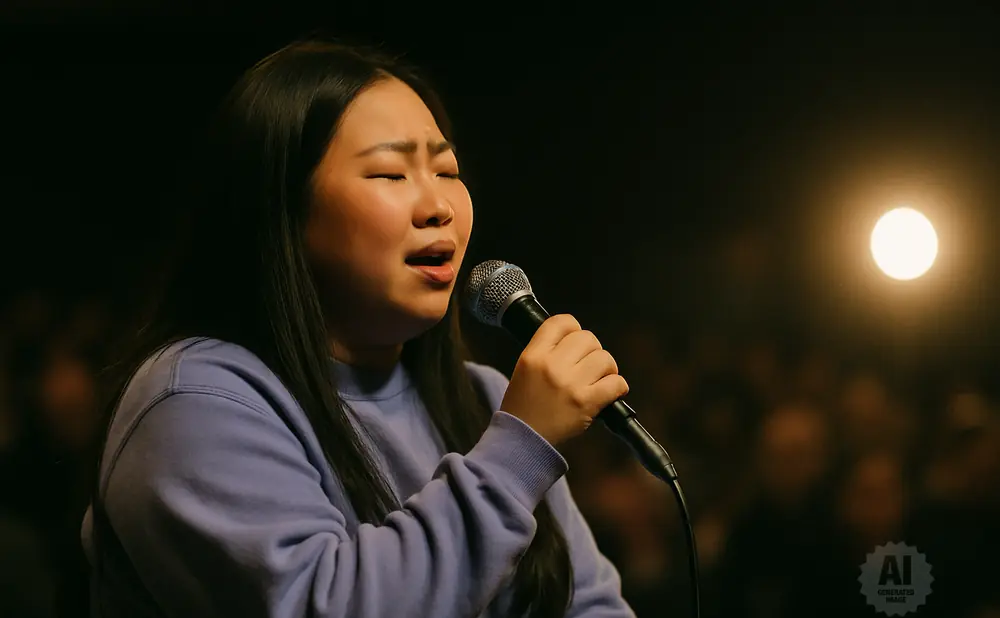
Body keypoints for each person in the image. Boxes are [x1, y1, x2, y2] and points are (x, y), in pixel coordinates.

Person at [81, 39, 636, 618]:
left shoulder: (484, 399)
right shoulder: (195, 400)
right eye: (392, 174)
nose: (438, 205)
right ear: (284, 210)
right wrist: (519, 452)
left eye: (447, 170)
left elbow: (587, 603)